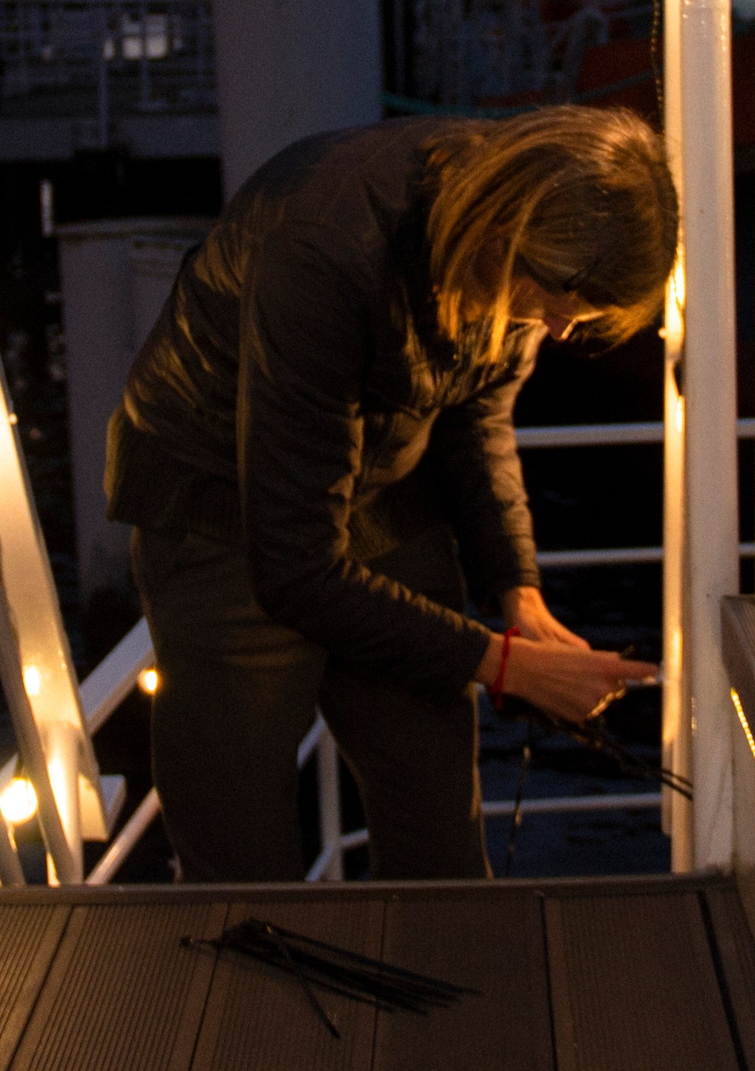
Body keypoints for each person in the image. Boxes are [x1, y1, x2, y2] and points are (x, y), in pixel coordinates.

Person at [104, 106, 677, 883]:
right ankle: (250, 989)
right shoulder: (325, 247)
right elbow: (296, 565)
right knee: (238, 843)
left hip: (380, 480)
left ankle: (445, 968)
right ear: (505, 234)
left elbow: (477, 416)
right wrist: (509, 669)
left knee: (436, 808)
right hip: (220, 500)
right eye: (556, 307)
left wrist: (519, 593)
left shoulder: (526, 243)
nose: (560, 330)